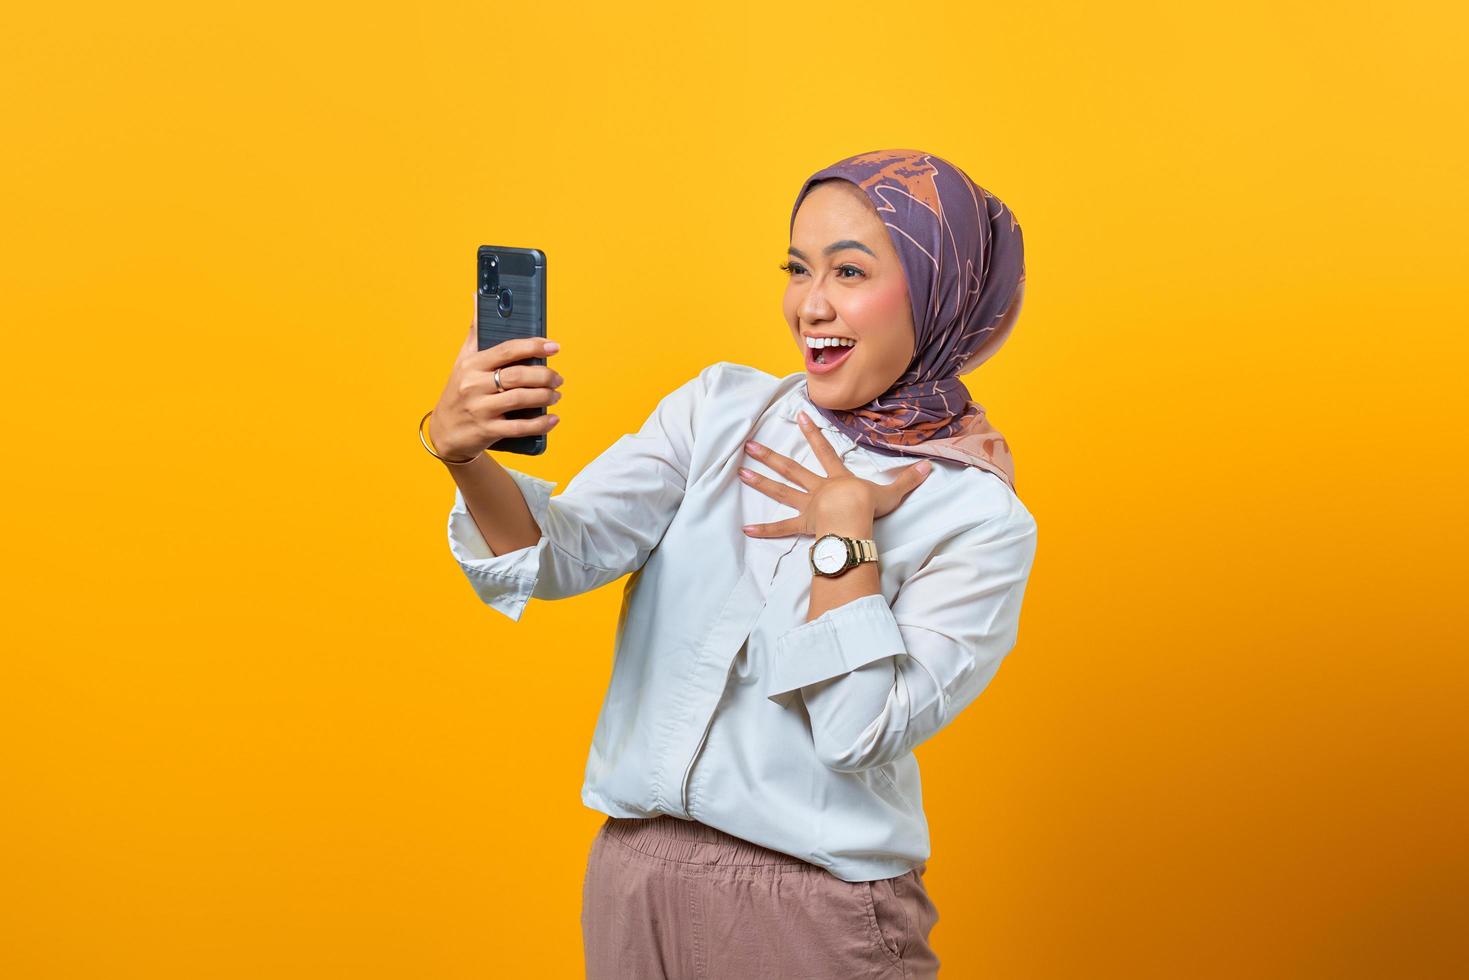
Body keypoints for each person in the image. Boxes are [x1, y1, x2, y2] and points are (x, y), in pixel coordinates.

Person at [421, 148, 1037, 979]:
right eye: (796, 267)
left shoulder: (975, 513)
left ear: (937, 293)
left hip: (814, 905)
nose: (809, 304)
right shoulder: (719, 411)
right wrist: (466, 458)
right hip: (634, 880)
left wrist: (843, 534)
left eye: (848, 271)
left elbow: (857, 731)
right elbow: (561, 555)